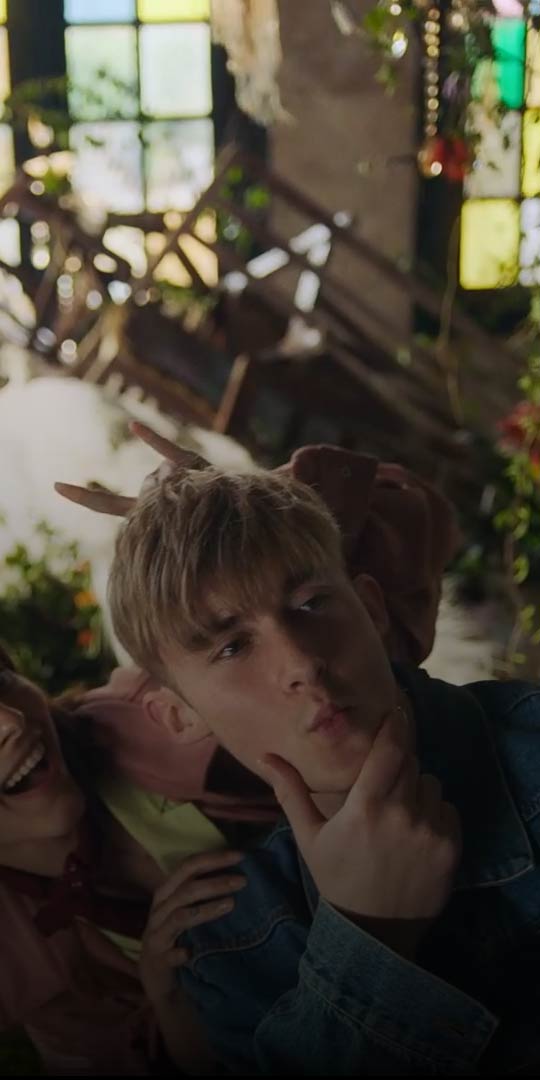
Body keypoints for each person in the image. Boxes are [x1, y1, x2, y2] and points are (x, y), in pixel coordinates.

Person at [69, 432, 540, 1076]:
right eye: (232, 647)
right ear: (179, 714)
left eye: (312, 603)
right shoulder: (228, 957)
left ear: (371, 608)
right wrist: (368, 936)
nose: (301, 663)